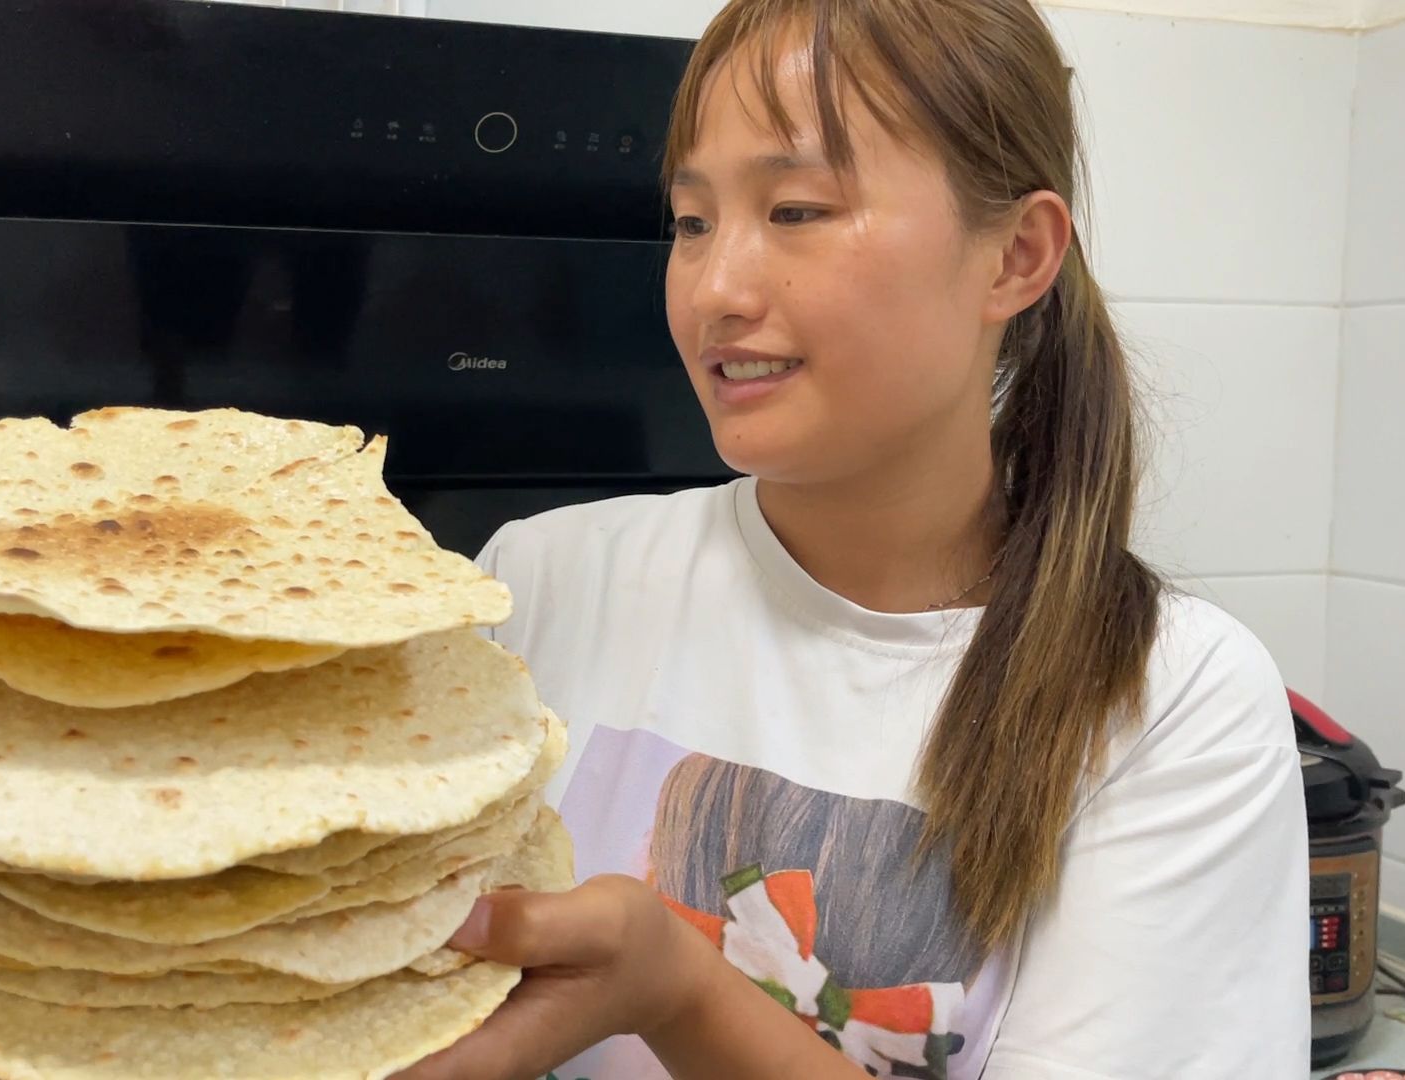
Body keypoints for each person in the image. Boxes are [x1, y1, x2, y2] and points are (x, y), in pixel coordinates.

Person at [398, 0, 1310, 1076]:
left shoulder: (1169, 699)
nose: (717, 290)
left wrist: (680, 992)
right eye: (692, 223)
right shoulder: (533, 586)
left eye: (796, 209)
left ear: (1016, 256)